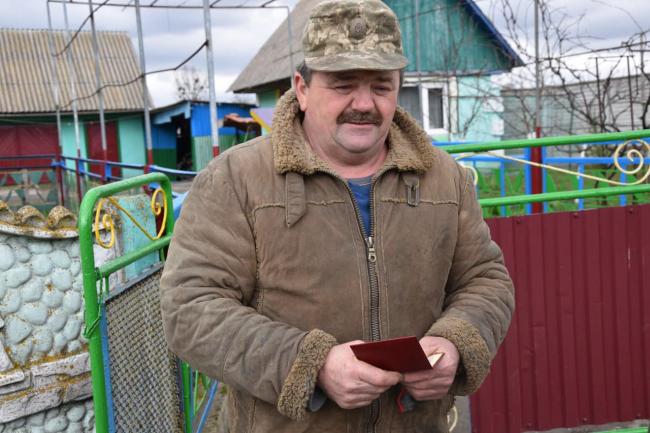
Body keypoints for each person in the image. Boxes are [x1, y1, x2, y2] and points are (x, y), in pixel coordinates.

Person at [160, 0, 514, 431]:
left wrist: (454, 342)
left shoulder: (444, 178)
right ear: (302, 88)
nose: (364, 103)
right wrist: (311, 365)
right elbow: (190, 308)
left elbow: (485, 281)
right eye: (343, 84)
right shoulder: (235, 179)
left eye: (381, 86)